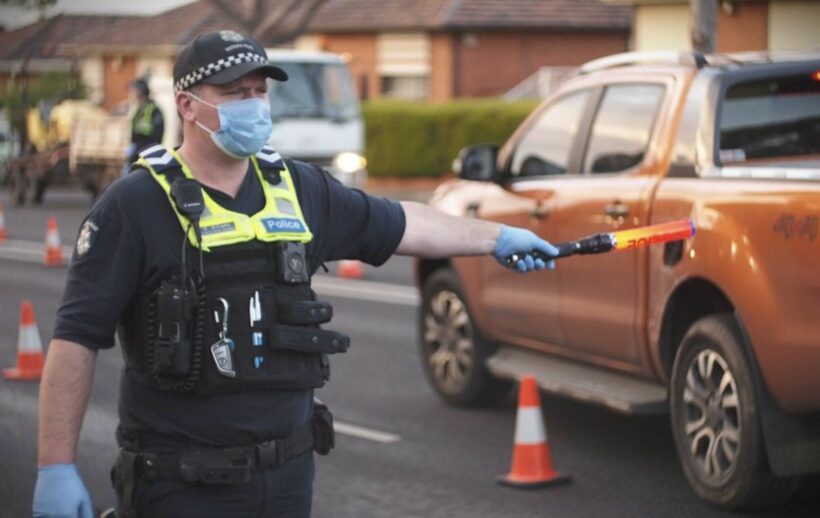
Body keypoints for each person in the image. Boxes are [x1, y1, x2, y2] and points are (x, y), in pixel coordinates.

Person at [33, 29, 558, 518]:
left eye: (260, 91)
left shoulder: (300, 189)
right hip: (180, 485)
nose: (254, 105)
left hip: (286, 479)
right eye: (235, 93)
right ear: (188, 106)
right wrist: (55, 465)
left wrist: (496, 238)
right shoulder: (134, 205)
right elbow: (77, 338)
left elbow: (402, 224)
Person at [125, 78, 164, 168]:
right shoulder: (142, 107)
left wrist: (135, 154)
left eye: (134, 90)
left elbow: (144, 133)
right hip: (141, 150)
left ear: (141, 91)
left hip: (144, 151)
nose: (132, 93)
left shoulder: (149, 109)